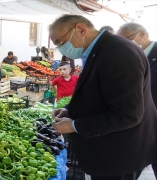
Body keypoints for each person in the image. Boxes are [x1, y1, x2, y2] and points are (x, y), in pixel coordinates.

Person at [49, 14, 157, 180]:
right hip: (111, 152)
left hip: (119, 155)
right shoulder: (101, 49)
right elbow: (98, 94)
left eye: (61, 42)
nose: (61, 49)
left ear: (80, 29)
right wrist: (69, 110)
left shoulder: (118, 53)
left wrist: (75, 125)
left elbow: (127, 114)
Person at [117, 22, 157, 179]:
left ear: (142, 34)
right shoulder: (127, 56)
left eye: (127, 38)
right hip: (137, 127)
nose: (123, 43)